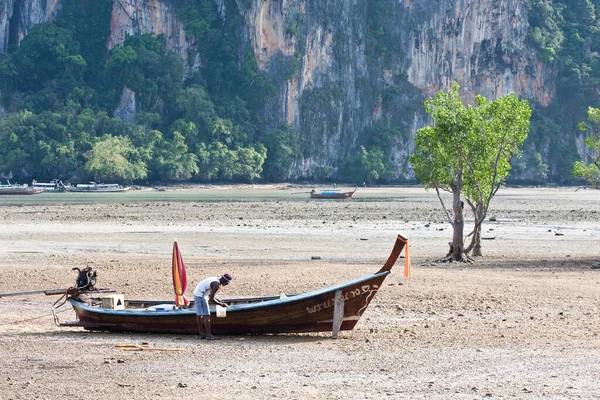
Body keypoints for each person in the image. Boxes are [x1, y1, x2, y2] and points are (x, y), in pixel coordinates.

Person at [193, 273, 232, 340]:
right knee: (207, 315)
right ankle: (208, 335)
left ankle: (201, 334)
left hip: (197, 293)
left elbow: (210, 295)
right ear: (224, 281)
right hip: (201, 295)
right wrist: (221, 304)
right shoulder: (216, 285)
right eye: (227, 283)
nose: (227, 284)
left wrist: (219, 300)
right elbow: (211, 299)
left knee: (199, 314)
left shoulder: (216, 280)